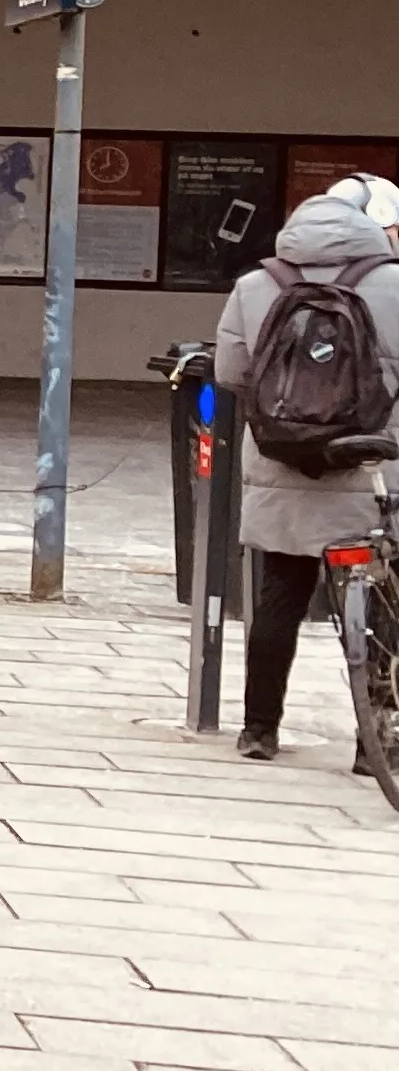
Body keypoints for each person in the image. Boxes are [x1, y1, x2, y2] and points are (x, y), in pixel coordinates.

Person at [213, 176, 399, 758]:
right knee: (382, 602)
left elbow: (229, 372)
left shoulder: (253, 284)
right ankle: (376, 746)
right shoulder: (395, 284)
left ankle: (259, 731)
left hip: (281, 464)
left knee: (281, 593)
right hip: (372, 463)